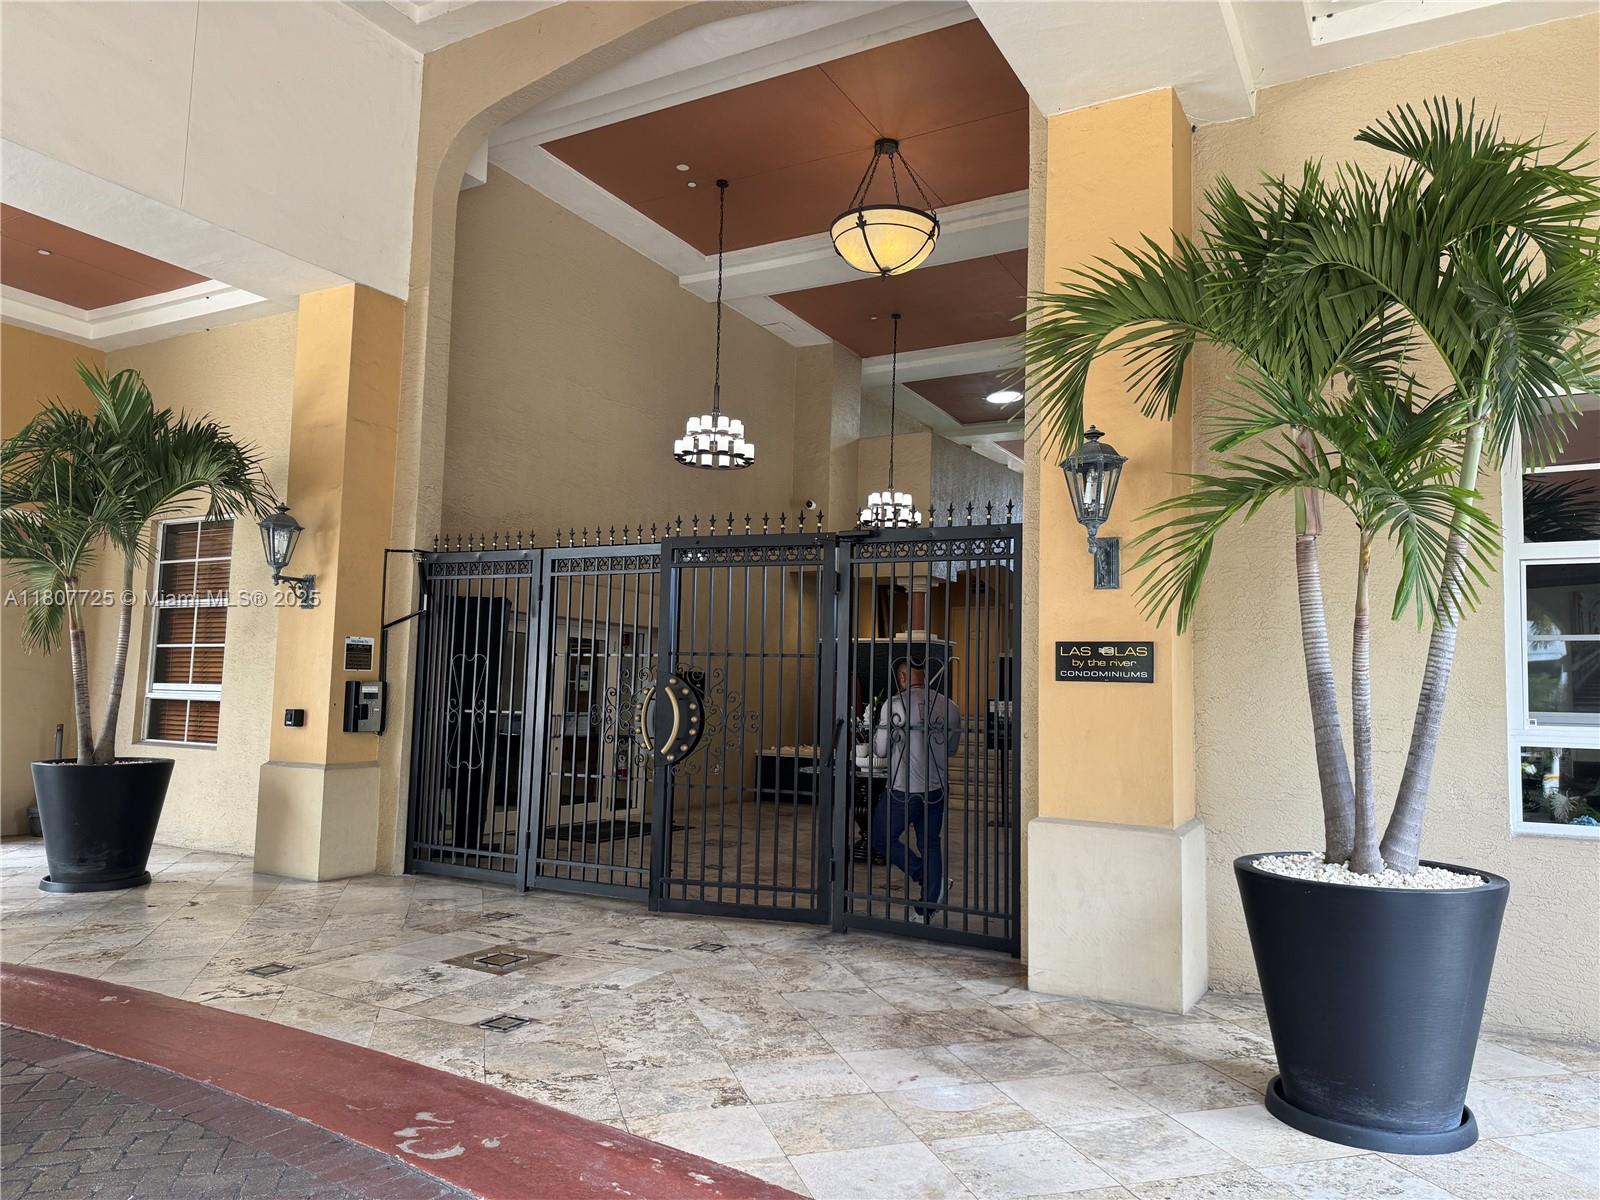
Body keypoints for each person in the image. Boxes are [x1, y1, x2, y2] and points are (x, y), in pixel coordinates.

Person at [872, 657, 961, 919]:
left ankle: (925, 875)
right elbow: (951, 749)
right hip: (936, 788)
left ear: (901, 677)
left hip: (903, 788)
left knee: (880, 838)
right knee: (930, 843)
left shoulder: (895, 704)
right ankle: (926, 907)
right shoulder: (949, 706)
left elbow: (880, 750)